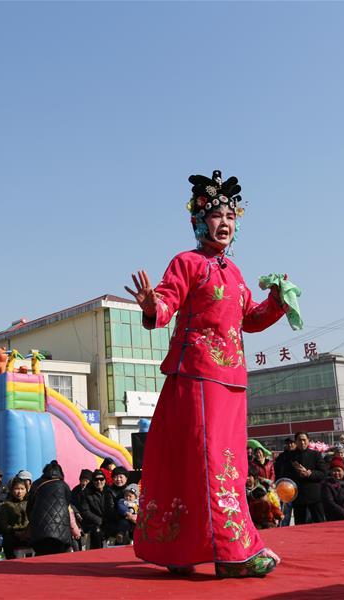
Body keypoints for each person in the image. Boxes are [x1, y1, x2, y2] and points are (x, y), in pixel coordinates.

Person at [126, 170, 289, 579]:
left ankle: (183, 548)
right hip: (198, 376)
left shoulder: (234, 273)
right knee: (214, 462)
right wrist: (150, 304)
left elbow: (249, 319)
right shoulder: (188, 262)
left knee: (225, 463)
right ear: (200, 222)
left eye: (231, 216)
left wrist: (277, 301)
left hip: (231, 379)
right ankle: (231, 552)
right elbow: (165, 303)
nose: (225, 223)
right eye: (217, 215)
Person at [27, 461, 79, 556]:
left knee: (40, 558)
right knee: (59, 558)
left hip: (40, 533)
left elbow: (29, 507)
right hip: (61, 533)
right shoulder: (64, 485)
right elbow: (67, 506)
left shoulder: (36, 484)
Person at [283, 432, 327, 525]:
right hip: (297, 495)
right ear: (296, 442)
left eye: (304, 440)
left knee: (320, 523)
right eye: (299, 440)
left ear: (308, 441)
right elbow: (284, 474)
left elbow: (323, 473)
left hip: (314, 496)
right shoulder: (289, 456)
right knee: (300, 525)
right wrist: (298, 473)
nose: (302, 442)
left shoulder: (316, 455)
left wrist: (309, 474)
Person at [78, 469, 116, 549]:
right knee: (96, 531)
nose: (99, 481)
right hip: (93, 523)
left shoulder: (110, 491)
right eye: (96, 479)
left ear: (105, 480)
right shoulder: (87, 493)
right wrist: (99, 521)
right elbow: (85, 511)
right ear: (93, 481)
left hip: (109, 522)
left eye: (101, 479)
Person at [0, 479, 30, 559]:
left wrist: (27, 532)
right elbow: (3, 524)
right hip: (12, 534)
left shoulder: (30, 503)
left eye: (22, 489)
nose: (19, 492)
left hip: (28, 534)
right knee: (7, 541)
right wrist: (14, 531)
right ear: (11, 490)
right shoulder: (5, 505)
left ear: (26, 490)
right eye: (16, 489)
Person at [273, 438, 296, 526]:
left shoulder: (298, 455)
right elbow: (277, 470)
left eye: (292, 443)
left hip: (298, 486)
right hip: (285, 487)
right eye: (288, 443)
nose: (290, 445)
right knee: (285, 511)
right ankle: (283, 527)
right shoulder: (282, 457)